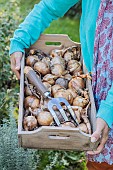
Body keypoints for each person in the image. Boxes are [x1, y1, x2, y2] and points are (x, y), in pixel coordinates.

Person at [10, 0, 113, 169]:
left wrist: (109, 109)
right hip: (95, 92)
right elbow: (50, 6)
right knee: (99, 161)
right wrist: (20, 39)